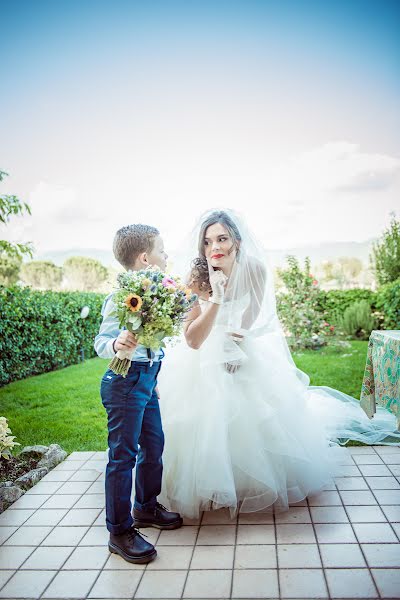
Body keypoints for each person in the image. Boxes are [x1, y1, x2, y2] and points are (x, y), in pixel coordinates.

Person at [158, 209, 400, 519]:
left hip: (240, 346)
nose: (214, 247)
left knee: (256, 415)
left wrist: (236, 343)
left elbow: (251, 313)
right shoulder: (196, 278)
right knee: (203, 418)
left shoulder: (255, 269)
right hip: (202, 355)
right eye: (207, 242)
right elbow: (192, 340)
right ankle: (207, 487)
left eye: (222, 238)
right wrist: (216, 299)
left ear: (237, 241)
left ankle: (245, 485)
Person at [94, 224, 183, 564]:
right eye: (162, 250)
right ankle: (119, 531)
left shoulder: (158, 295)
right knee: (123, 455)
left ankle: (145, 507)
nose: (166, 256)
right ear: (146, 258)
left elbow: (155, 342)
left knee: (154, 444)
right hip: (123, 383)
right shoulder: (119, 298)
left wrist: (154, 373)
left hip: (146, 382)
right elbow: (101, 341)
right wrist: (116, 343)